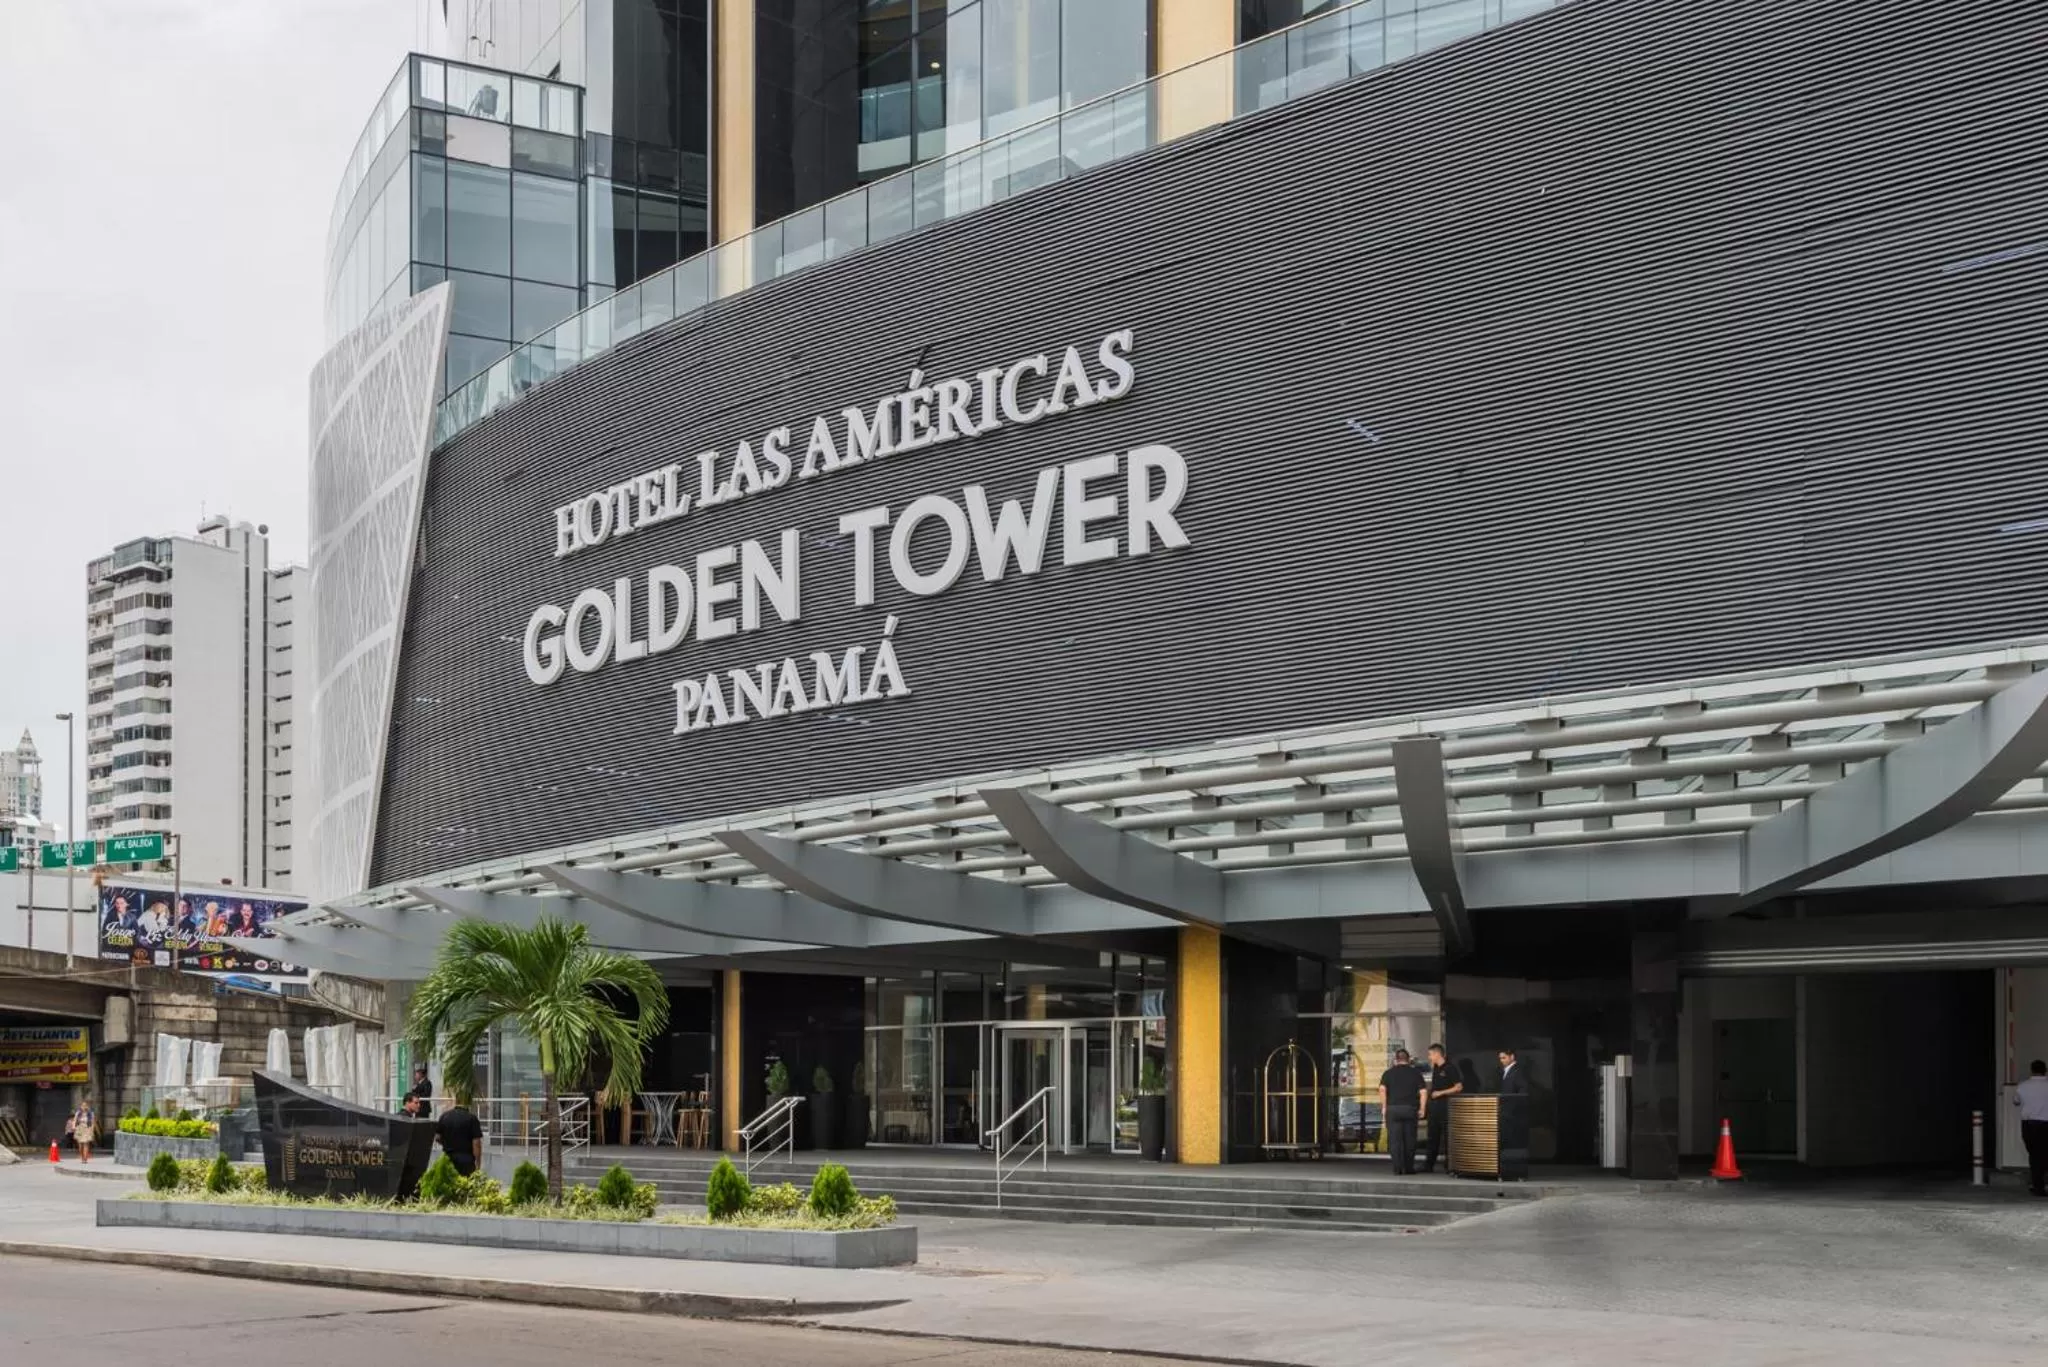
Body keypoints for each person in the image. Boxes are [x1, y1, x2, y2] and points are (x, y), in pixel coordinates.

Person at [1378, 1048, 1425, 1175]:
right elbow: (1423, 1092)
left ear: (1396, 1060)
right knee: (1410, 1139)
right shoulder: (1415, 1073)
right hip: (1409, 1109)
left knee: (1394, 1140)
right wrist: (1422, 1108)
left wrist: (1384, 1107)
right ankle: (1409, 1168)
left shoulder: (1388, 1073)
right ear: (1408, 1059)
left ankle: (1397, 1168)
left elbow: (1382, 1090)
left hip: (1393, 1109)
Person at [1421, 1043, 1464, 1174]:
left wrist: (1441, 1093)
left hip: (1446, 1106)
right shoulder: (1435, 1068)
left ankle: (1450, 1165)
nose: (1429, 1057)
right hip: (1434, 1107)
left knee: (1447, 1137)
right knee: (1432, 1136)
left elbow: (1458, 1087)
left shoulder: (1450, 1068)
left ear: (1437, 1054)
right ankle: (1429, 1165)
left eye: (1430, 1054)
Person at [2017, 1058, 2048, 1198]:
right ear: (2045, 1070)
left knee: (2035, 1156)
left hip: (2029, 1126)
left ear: (2032, 1070)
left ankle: (2038, 1187)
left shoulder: (2023, 1086)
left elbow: (2016, 1102)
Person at [435, 1092, 485, 1177]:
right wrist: (478, 1162)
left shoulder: (444, 1116)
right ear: (468, 1101)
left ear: (456, 1100)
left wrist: (447, 1143)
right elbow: (476, 1143)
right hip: (467, 1159)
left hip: (448, 1157)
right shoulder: (472, 1118)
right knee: (465, 1186)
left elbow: (437, 1137)